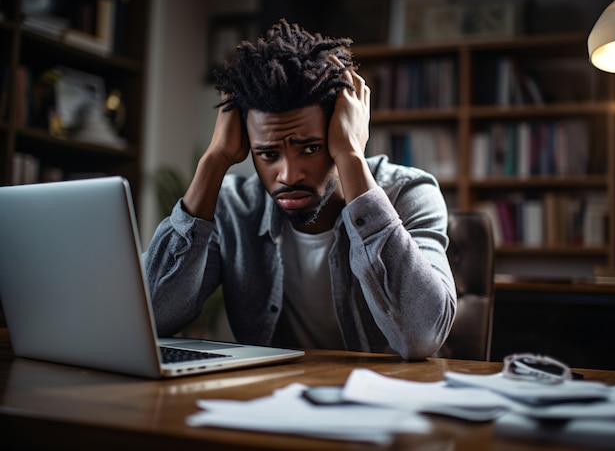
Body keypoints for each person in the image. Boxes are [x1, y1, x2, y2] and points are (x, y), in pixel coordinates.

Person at [142, 19, 456, 360]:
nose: (288, 175)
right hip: (269, 401)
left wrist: (351, 155)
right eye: (268, 154)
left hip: (382, 402)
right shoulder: (234, 207)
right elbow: (150, 317)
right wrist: (214, 159)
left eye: (310, 148)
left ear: (344, 131)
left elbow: (421, 337)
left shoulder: (409, 193)